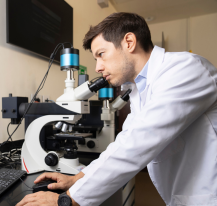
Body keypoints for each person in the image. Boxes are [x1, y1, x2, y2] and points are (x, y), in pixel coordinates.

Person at [16, 12, 217, 206]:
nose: (97, 67)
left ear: (129, 42)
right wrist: (79, 178)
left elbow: (138, 144)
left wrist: (66, 199)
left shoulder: (185, 69)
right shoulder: (140, 87)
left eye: (101, 55)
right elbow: (124, 142)